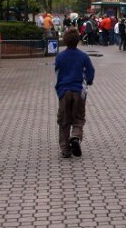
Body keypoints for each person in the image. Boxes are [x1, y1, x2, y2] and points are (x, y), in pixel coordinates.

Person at [54, 28, 95, 158]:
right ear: (78, 40)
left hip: (64, 91)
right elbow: (90, 72)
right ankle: (75, 137)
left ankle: (65, 149)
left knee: (64, 120)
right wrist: (89, 81)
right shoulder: (83, 56)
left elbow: (57, 72)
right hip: (79, 91)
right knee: (78, 118)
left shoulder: (60, 56)